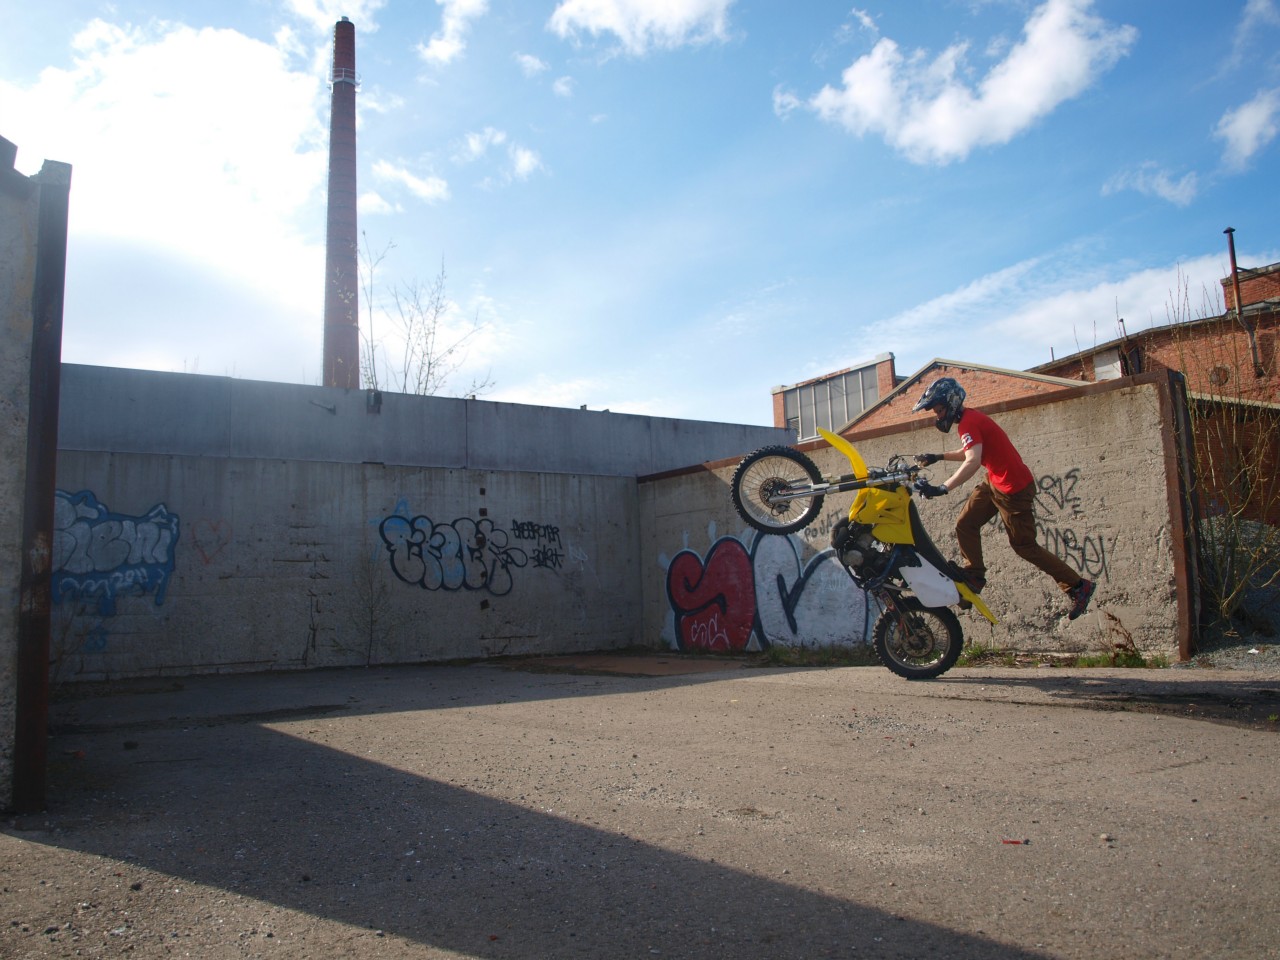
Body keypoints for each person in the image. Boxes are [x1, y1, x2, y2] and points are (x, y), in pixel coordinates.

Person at [910, 377, 1096, 620]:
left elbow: (973, 461)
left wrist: (944, 488)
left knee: (1025, 547)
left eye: (939, 410)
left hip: (1013, 490)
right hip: (996, 481)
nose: (938, 416)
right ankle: (974, 575)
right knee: (965, 523)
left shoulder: (968, 423)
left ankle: (1078, 586)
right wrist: (938, 457)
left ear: (951, 402)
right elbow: (970, 451)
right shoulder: (969, 420)